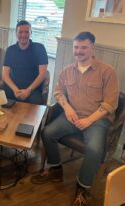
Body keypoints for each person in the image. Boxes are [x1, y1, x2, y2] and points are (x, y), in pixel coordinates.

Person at [30, 32, 119, 206]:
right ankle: (56, 168)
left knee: (94, 150)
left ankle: (82, 187)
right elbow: (58, 92)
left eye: (84, 47)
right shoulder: (66, 71)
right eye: (76, 47)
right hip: (72, 115)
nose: (79, 51)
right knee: (47, 133)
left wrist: (89, 120)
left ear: (92, 48)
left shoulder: (107, 72)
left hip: (97, 120)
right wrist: (67, 107)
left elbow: (110, 104)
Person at [2, 20, 48, 105]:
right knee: (0, 103)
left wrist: (28, 90)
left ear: (31, 33)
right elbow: (5, 75)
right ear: (16, 33)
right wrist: (15, 90)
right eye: (20, 32)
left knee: (35, 108)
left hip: (33, 89)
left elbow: (43, 74)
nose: (23, 35)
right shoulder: (10, 50)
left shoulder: (40, 48)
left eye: (26, 32)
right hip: (13, 88)